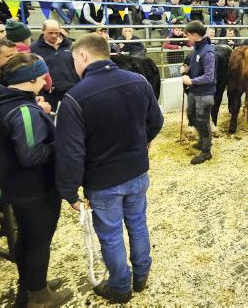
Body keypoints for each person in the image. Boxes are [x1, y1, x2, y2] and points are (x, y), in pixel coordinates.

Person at [55, 34, 163, 303]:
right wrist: (143, 142)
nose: (74, 67)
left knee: (111, 235)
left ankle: (120, 286)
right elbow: (157, 120)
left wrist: (69, 192)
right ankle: (141, 275)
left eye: (74, 60)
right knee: (138, 223)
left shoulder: (74, 99)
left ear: (83, 56)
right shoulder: (138, 81)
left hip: (103, 181)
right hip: (137, 171)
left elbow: (71, 152)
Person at [0, 53, 73, 308]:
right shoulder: (23, 110)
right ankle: (40, 297)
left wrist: (38, 110)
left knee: (27, 238)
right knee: (39, 243)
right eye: (44, 75)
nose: (47, 80)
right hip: (35, 188)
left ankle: (31, 285)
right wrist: (61, 143)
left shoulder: (0, 100)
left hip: (16, 185)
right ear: (34, 79)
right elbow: (32, 155)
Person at [179, 21, 216, 165]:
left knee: (203, 121)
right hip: (195, 91)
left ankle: (206, 151)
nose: (186, 37)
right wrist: (187, 70)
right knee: (191, 114)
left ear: (194, 35)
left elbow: (209, 76)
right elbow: (198, 69)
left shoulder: (207, 52)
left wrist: (191, 81)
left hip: (204, 93)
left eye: (187, 35)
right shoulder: (196, 49)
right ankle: (202, 141)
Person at [31, 20, 78, 110]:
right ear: (43, 31)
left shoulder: (70, 45)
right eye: (50, 33)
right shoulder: (34, 48)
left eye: (56, 33)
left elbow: (76, 65)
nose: (54, 35)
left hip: (70, 90)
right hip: (48, 93)